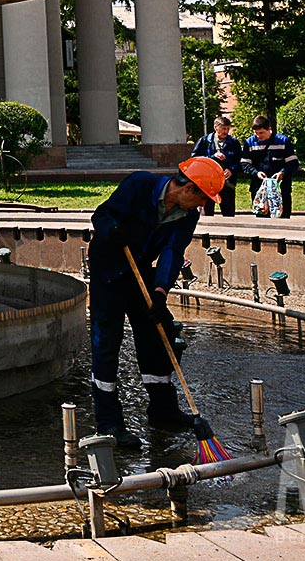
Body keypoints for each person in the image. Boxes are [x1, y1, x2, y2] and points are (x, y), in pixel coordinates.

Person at [87, 157, 225, 448]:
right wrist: (112, 230)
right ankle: (109, 421)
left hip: (141, 271)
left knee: (157, 334)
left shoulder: (188, 216)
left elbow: (173, 252)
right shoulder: (139, 184)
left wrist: (160, 292)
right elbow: (101, 215)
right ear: (188, 189)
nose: (201, 208)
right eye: (201, 200)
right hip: (109, 270)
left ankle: (163, 411)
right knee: (106, 342)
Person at [241, 115, 300, 218]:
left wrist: (283, 172)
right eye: (256, 133)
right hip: (259, 188)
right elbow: (245, 164)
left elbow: (293, 163)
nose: (259, 136)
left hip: (280, 188)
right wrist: (256, 173)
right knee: (262, 220)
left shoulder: (283, 141)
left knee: (283, 218)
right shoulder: (249, 143)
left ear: (269, 129)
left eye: (261, 133)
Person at [190, 116, 242, 217]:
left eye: (228, 128)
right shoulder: (205, 141)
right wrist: (212, 157)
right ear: (215, 127)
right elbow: (195, 159)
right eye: (223, 128)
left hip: (227, 183)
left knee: (229, 214)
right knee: (207, 213)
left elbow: (240, 161)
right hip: (208, 183)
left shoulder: (234, 142)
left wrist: (231, 169)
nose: (226, 131)